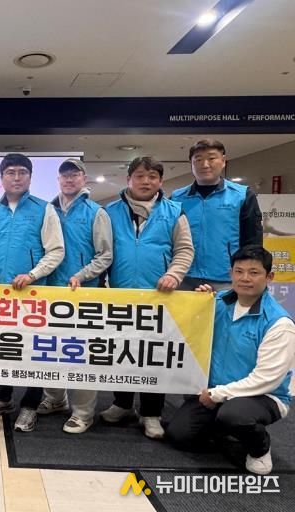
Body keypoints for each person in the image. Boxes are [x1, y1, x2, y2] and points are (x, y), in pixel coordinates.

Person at [166, 245, 294, 475]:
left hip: (262, 396)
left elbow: (266, 379)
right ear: (231, 273)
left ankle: (259, 448)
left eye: (254, 272)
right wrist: (197, 303)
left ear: (269, 277)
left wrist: (217, 394)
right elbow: (189, 332)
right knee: (179, 434)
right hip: (215, 391)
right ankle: (224, 431)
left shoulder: (279, 323)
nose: (245, 278)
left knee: (235, 416)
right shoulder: (217, 301)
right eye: (239, 271)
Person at [100, 156, 194, 439]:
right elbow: (101, 251)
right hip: (121, 296)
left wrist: (174, 275)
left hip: (159, 297)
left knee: (154, 355)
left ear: (160, 181)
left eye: (152, 176)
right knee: (122, 352)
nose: (146, 181)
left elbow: (184, 249)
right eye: (140, 176)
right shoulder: (110, 211)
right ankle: (122, 404)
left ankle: (151, 413)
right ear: (128, 179)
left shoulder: (174, 211)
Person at [0, 153, 65, 432]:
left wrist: (32, 275)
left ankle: (29, 406)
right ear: (1, 177)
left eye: (22, 172)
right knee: (3, 348)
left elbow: (56, 250)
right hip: (0, 296)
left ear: (30, 177)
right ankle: (3, 398)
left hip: (32, 295)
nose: (16, 178)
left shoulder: (44, 209)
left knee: (33, 351)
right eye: (10, 172)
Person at [39, 158, 113, 434]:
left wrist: (81, 275)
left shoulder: (96, 212)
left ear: (84, 178)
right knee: (49, 349)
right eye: (64, 175)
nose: (69, 179)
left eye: (74, 174)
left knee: (80, 354)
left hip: (83, 293)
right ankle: (55, 398)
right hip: (50, 290)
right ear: (58, 180)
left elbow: (105, 255)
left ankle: (82, 412)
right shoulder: (47, 210)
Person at [171, 139, 263, 291]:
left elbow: (253, 241)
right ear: (191, 164)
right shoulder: (176, 198)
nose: (205, 164)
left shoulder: (242, 195)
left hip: (227, 279)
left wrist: (246, 275)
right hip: (183, 278)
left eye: (211, 158)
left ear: (223, 161)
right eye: (198, 159)